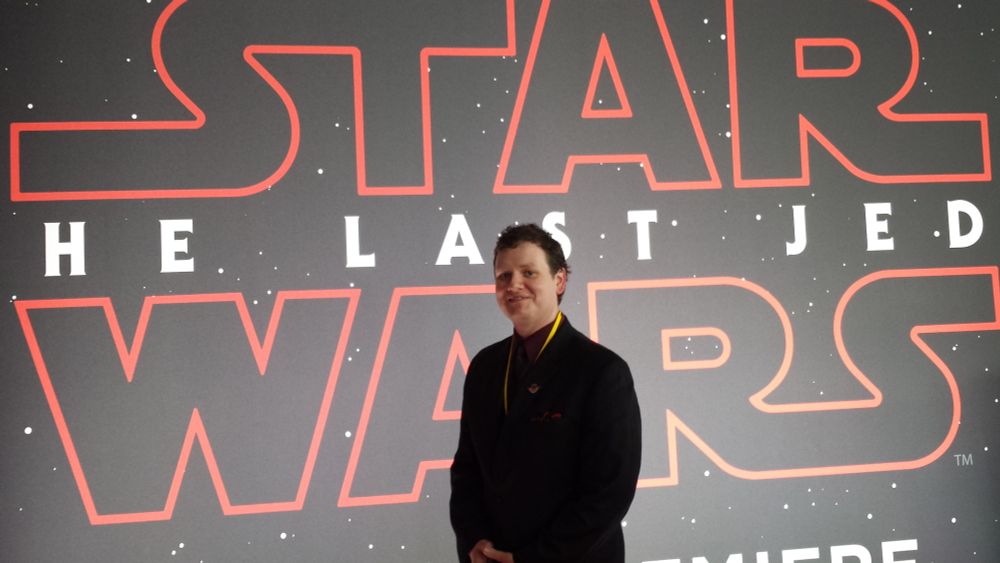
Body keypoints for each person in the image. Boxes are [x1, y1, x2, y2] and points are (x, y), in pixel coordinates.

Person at [450, 223, 642, 563]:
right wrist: (474, 540)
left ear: (559, 280)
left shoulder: (601, 371)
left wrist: (530, 559)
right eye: (503, 276)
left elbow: (608, 494)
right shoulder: (484, 366)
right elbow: (467, 470)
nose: (514, 285)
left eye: (528, 272)